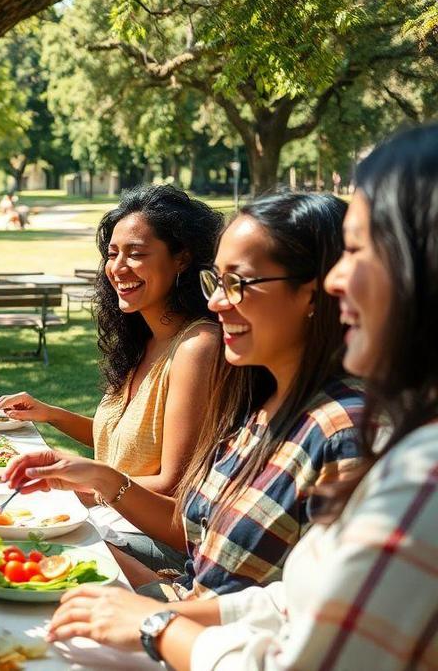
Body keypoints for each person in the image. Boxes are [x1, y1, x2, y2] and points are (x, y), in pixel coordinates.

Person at [43, 124, 438, 671]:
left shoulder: (368, 444)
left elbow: (302, 650)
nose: (338, 279)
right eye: (218, 282)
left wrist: (157, 625)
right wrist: (152, 608)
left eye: (361, 251)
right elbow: (280, 597)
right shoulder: (258, 408)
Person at [3, 191, 364, 599]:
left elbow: (287, 611)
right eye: (218, 281)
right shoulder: (261, 418)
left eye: (238, 283)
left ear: (317, 292)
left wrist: (155, 613)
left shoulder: (340, 433)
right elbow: (199, 545)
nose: (217, 302)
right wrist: (88, 466)